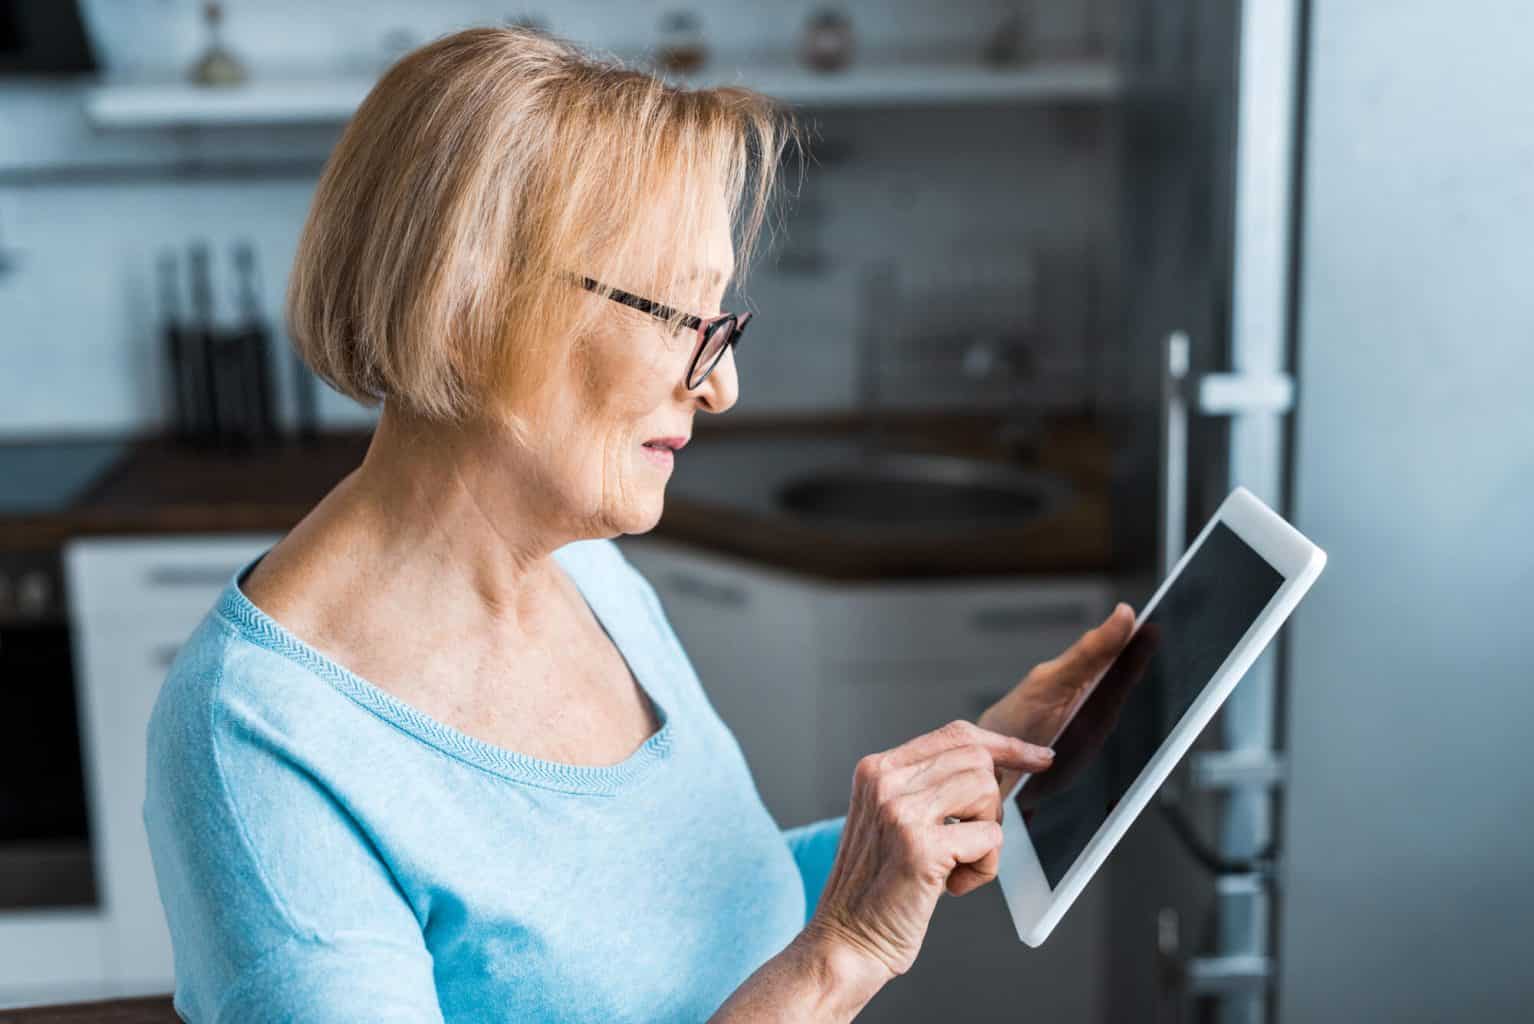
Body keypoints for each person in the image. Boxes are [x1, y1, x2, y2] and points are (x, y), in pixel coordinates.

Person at [143, 26, 1135, 1023]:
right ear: (470, 306)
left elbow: (675, 930)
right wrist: (843, 956)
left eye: (720, 325)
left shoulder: (590, 574)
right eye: (679, 319)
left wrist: (962, 786)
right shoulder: (262, 745)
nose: (723, 387)